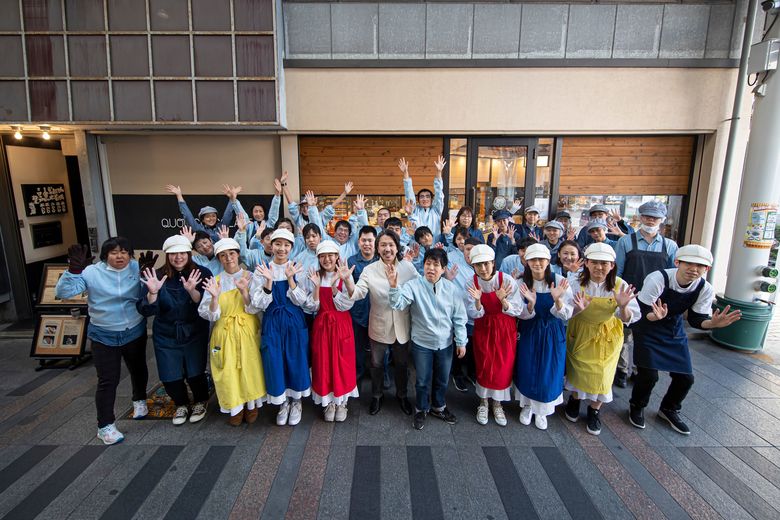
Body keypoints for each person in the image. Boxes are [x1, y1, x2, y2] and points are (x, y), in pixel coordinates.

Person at [628, 245, 741, 434]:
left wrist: (712, 324)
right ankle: (637, 406)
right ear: (677, 262)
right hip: (647, 327)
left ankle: (669, 408)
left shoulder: (704, 288)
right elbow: (641, 311)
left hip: (673, 329)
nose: (693, 269)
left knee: (686, 378)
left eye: (700, 266)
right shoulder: (658, 278)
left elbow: (697, 319)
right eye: (688, 263)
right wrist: (654, 317)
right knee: (649, 375)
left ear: (707, 269)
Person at [56, 238, 148, 445]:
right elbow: (63, 293)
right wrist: (73, 271)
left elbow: (150, 287)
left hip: (133, 329)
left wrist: (150, 274)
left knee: (138, 368)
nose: (120, 256)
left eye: (124, 252)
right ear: (105, 255)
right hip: (103, 333)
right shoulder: (91, 272)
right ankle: (105, 426)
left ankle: (140, 400)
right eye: (114, 252)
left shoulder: (135, 267)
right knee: (108, 380)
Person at [564, 243, 640, 436]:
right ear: (586, 263)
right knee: (578, 370)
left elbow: (632, 317)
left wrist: (623, 307)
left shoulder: (620, 285)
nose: (599, 267)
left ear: (612, 265)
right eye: (595, 262)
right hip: (580, 330)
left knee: (602, 373)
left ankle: (594, 410)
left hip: (608, 333)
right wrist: (577, 309)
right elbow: (563, 312)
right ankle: (575, 399)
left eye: (604, 263)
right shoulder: (575, 282)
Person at [389, 248, 468, 430]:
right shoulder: (413, 285)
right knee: (422, 380)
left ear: (443, 269)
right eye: (428, 264)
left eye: (436, 265)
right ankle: (421, 408)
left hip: (445, 343)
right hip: (421, 343)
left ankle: (438, 407)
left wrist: (461, 341)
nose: (431, 268)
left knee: (442, 379)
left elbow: (459, 318)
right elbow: (398, 303)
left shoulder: (452, 289)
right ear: (423, 265)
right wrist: (394, 286)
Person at [138, 235, 211, 426]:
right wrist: (153, 292)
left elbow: (207, 304)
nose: (178, 257)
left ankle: (200, 401)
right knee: (170, 374)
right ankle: (181, 403)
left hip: (194, 330)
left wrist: (192, 291)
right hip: (166, 332)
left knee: (195, 371)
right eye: (173, 254)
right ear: (167, 255)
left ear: (188, 254)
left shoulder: (202, 272)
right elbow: (145, 310)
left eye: (182, 253)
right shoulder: (156, 275)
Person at [198, 238, 266, 426]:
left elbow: (255, 308)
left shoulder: (251, 276)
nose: (228, 258)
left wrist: (244, 291)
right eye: (223, 255)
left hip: (246, 330)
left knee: (249, 367)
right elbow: (209, 314)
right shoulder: (215, 281)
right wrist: (214, 297)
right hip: (224, 332)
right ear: (219, 258)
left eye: (232, 254)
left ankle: (251, 405)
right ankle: (234, 407)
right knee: (227, 370)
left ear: (238, 255)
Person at [348, 230, 417, 416]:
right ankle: (377, 396)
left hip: (402, 325)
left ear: (397, 247)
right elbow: (357, 293)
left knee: (402, 364)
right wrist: (347, 280)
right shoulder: (369, 270)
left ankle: (402, 395)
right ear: (378, 248)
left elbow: (420, 290)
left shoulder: (407, 268)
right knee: (376, 364)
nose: (387, 249)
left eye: (391, 245)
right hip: (378, 324)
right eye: (383, 245)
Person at [614, 200, 678, 388]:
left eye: (655, 218)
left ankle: (640, 369)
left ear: (662, 220)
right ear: (640, 217)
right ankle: (622, 369)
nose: (651, 220)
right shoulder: (625, 241)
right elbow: (618, 271)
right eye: (647, 216)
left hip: (654, 300)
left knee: (647, 337)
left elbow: (671, 276)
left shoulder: (670, 246)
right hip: (629, 295)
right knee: (624, 336)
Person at [250, 229, 311, 426]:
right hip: (273, 321)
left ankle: (297, 401)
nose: (281, 248)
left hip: (293, 319)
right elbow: (258, 303)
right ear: (270, 245)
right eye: (278, 244)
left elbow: (304, 301)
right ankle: (282, 402)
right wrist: (268, 281)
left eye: (286, 245)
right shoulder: (261, 270)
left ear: (292, 247)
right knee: (274, 360)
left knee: (296, 359)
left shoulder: (297, 268)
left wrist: (291, 279)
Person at [293, 241, 358, 422]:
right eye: (323, 256)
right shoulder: (314, 276)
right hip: (322, 325)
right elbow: (312, 306)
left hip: (341, 324)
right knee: (324, 362)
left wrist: (337, 285)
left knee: (342, 362)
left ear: (337, 256)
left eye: (331, 255)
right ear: (318, 258)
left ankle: (341, 401)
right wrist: (316, 287)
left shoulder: (344, 274)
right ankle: (329, 401)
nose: (327, 259)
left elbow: (348, 304)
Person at [465, 244, 525, 426]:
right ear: (473, 266)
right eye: (478, 265)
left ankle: (498, 404)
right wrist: (477, 301)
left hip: (505, 328)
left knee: (503, 365)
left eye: (486, 264)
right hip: (483, 327)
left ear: (493, 263)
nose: (483, 269)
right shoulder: (471, 283)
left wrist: (503, 300)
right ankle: (483, 402)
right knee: (484, 364)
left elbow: (518, 310)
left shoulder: (505, 280)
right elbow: (473, 313)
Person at [514, 244, 572, 430]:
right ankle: (528, 406)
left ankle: (542, 411)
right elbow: (518, 313)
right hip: (530, 331)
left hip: (553, 333)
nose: (537, 263)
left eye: (541, 259)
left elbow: (567, 315)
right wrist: (530, 305)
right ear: (526, 261)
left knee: (549, 370)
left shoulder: (560, 281)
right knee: (528, 368)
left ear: (548, 261)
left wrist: (558, 300)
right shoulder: (521, 284)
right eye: (533, 259)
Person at [447, 237, 479, 391]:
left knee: (474, 347)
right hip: (459, 315)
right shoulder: (455, 265)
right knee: (459, 346)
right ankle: (457, 374)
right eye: (467, 249)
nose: (469, 252)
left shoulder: (484, 267)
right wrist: (447, 279)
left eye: (473, 249)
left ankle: (472, 373)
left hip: (478, 316)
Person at [348, 226, 379, 381]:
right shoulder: (351, 261)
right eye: (363, 240)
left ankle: (380, 375)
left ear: (375, 242)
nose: (367, 244)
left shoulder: (381, 260)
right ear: (359, 242)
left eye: (370, 240)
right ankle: (358, 372)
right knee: (358, 346)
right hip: (358, 312)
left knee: (379, 348)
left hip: (378, 312)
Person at [165, 184, 240, 243]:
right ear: (202, 219)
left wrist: (232, 198)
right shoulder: (198, 229)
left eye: (213, 216)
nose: (211, 218)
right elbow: (187, 215)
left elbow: (228, 213)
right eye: (207, 216)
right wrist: (179, 196)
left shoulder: (221, 227)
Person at [399, 155, 445, 234]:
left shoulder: (436, 210)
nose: (425, 199)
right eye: (422, 197)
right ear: (418, 200)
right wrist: (405, 173)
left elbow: (439, 193)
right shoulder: (414, 210)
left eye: (427, 196)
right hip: (415, 245)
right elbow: (409, 193)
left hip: (434, 245)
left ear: (432, 199)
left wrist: (439, 172)